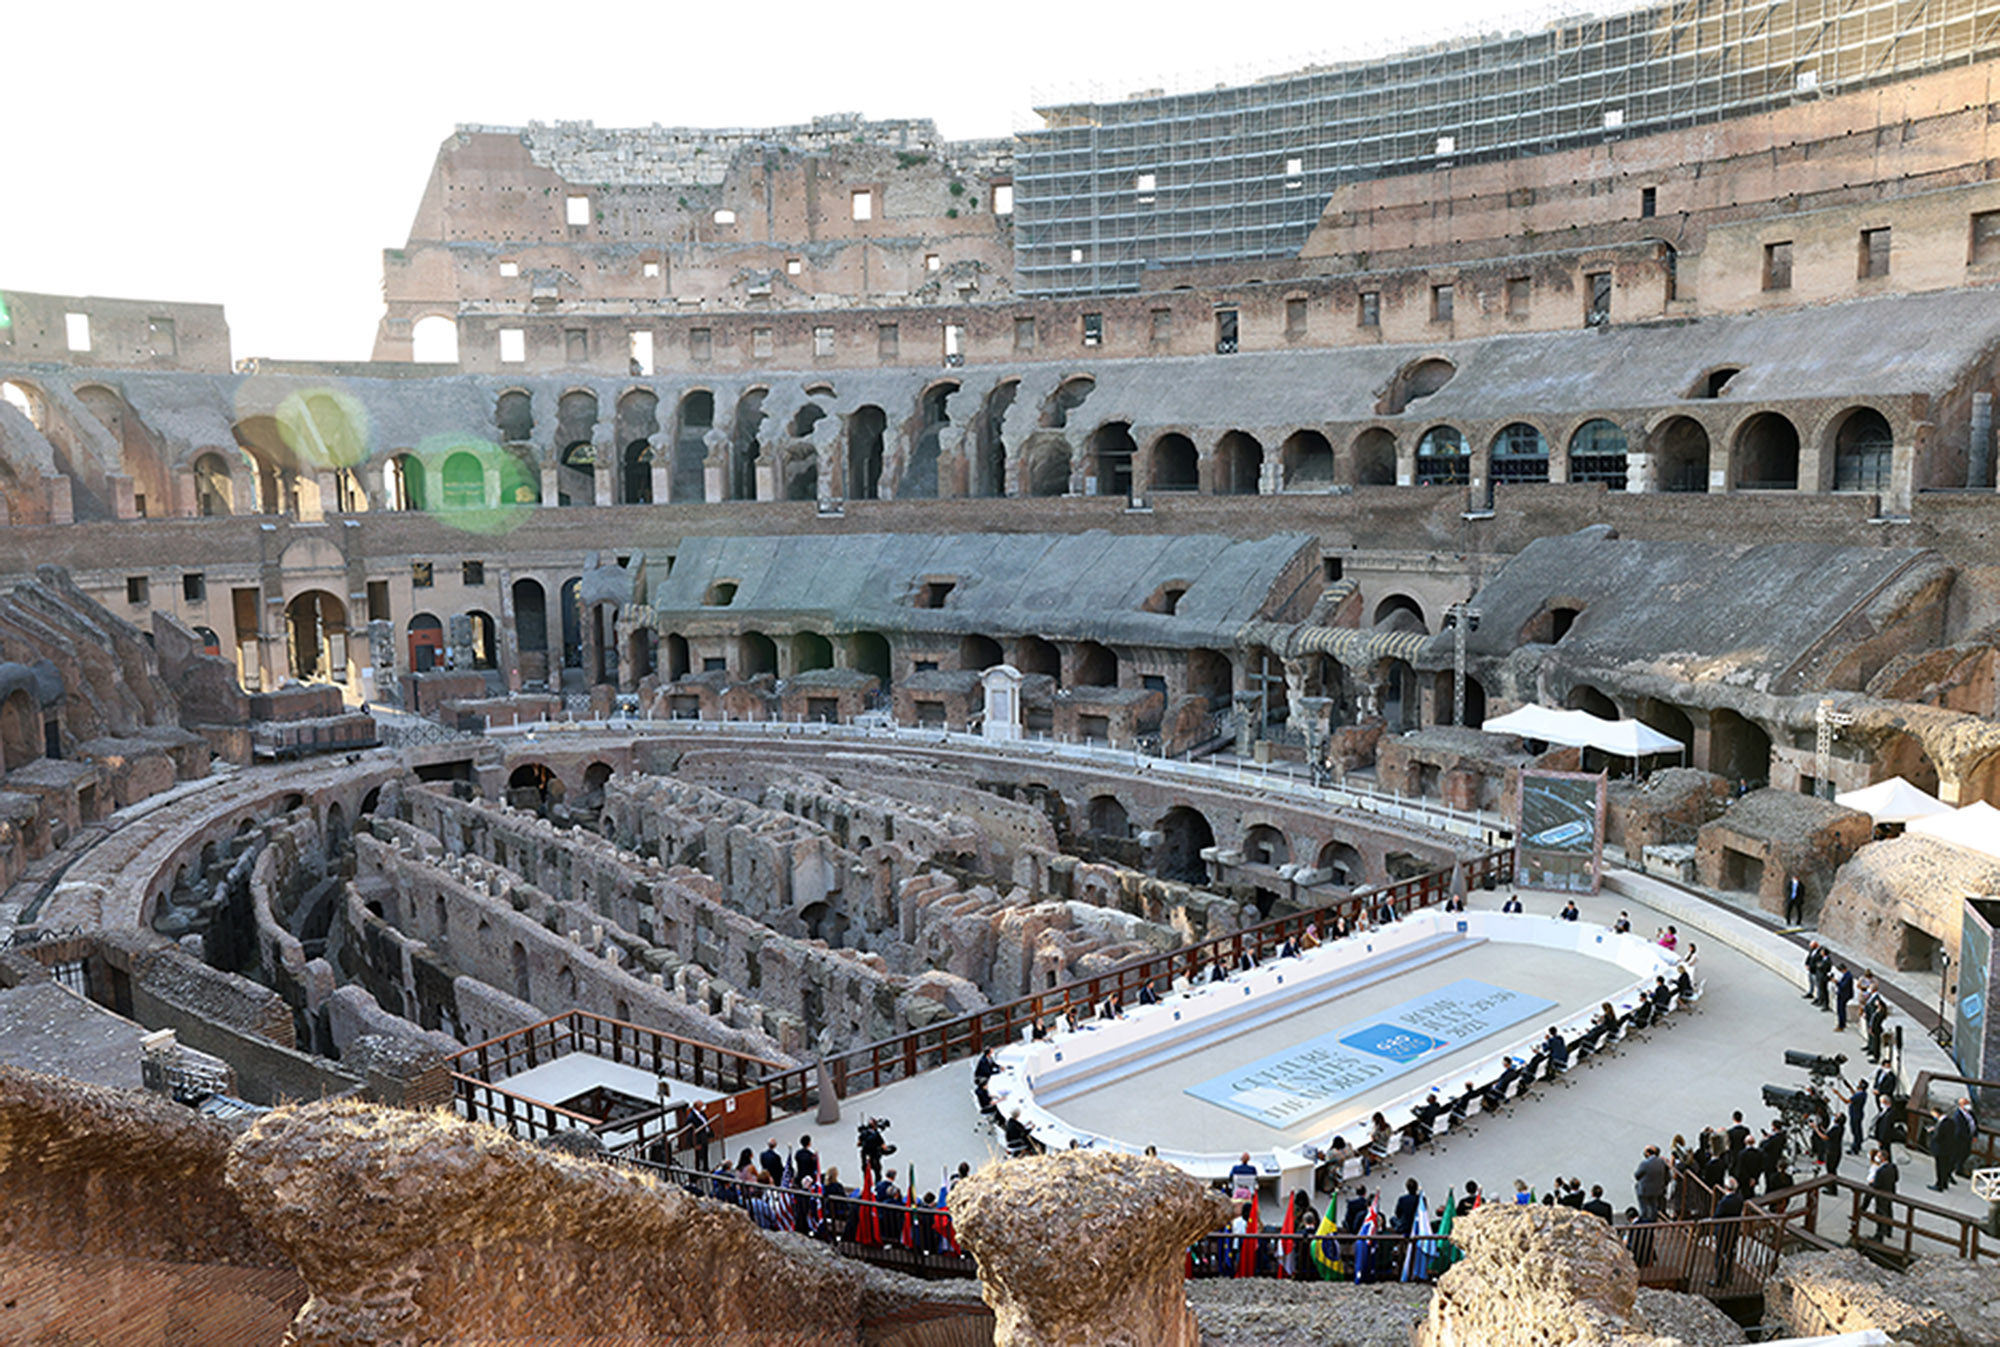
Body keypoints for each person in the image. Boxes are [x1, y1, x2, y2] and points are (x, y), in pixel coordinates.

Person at [1711, 1176, 1745, 1286]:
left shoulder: (1724, 1203)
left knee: (1719, 1255)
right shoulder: (1739, 1199)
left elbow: (1716, 1216)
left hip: (1723, 1230)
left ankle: (1719, 1279)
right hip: (1733, 1230)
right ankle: (1729, 1277)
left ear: (1726, 1187)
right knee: (1730, 1254)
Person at [1867, 1146, 1899, 1241]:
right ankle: (1889, 1231)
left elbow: (1877, 1184)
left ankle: (1879, 1234)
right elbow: (1896, 1179)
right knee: (1889, 1211)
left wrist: (1872, 1182)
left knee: (1880, 1213)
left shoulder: (1880, 1171)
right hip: (1890, 1191)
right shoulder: (1893, 1167)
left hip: (1881, 1194)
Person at [1633, 1144, 1669, 1223]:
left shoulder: (1645, 1163)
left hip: (1644, 1189)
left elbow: (1637, 1175)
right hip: (1657, 1189)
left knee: (1644, 1208)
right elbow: (1667, 1175)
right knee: (1653, 1207)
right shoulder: (1662, 1162)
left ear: (1648, 1153)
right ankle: (1653, 1221)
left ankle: (1644, 1223)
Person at [1805, 942, 1832, 1008]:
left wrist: (1818, 966)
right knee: (1819, 988)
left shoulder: (1827, 960)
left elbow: (1824, 967)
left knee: (1823, 990)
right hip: (1818, 974)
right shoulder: (1822, 958)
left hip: (1822, 977)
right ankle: (1819, 1000)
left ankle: (1823, 1002)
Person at [1846, 1082, 1868, 1156]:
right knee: (1857, 1130)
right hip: (1858, 1113)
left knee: (1855, 1131)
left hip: (1855, 1114)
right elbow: (1854, 1094)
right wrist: (1850, 1088)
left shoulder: (1859, 1096)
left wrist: (1837, 1093)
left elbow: (1847, 1101)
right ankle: (1858, 1144)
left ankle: (1855, 1147)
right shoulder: (1863, 1094)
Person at [1834, 964, 1856, 1031]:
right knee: (1841, 1009)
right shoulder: (1846, 975)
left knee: (1841, 1010)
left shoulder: (1848, 976)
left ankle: (1841, 1025)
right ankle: (1842, 1023)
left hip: (1844, 995)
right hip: (1843, 994)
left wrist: (1837, 982)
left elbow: (1843, 986)